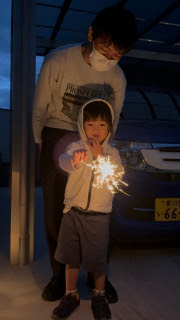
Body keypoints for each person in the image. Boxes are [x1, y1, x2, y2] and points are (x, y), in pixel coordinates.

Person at [32, 2, 137, 303]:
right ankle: (59, 276)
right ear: (91, 33)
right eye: (106, 49)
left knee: (99, 208)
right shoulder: (58, 59)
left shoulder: (117, 78)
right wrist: (40, 140)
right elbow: (40, 104)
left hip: (96, 140)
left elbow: (113, 119)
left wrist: (102, 151)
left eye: (119, 54)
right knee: (56, 209)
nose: (110, 58)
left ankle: (96, 273)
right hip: (57, 133)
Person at [52, 99, 124, 320]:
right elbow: (63, 162)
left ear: (110, 127)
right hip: (73, 212)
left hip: (99, 216)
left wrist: (100, 157)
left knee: (97, 260)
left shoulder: (112, 153)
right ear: (82, 125)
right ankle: (70, 294)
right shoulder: (75, 149)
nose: (96, 129)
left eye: (102, 125)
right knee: (71, 258)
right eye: (90, 124)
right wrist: (74, 161)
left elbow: (117, 176)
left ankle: (99, 295)